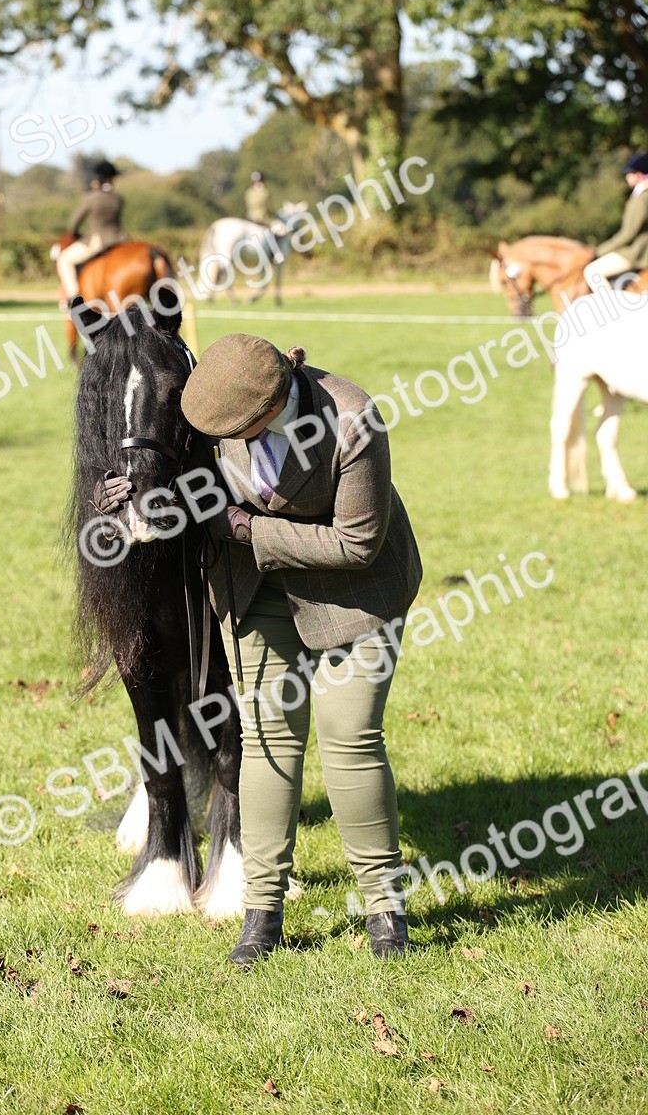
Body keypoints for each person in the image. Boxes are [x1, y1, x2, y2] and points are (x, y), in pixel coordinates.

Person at [179, 334, 423, 965]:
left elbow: (358, 543)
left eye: (243, 431)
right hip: (256, 586)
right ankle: (261, 914)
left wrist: (252, 530)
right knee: (267, 738)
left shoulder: (351, 419)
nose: (229, 442)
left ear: (276, 399)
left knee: (351, 738)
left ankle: (384, 910)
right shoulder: (215, 416)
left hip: (356, 591)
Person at [57, 159, 127, 307]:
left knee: (64, 260)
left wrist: (75, 234)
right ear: (111, 179)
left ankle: (74, 298)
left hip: (99, 240)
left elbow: (73, 225)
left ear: (97, 180)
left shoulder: (91, 198)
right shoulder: (119, 199)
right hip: (121, 239)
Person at [584, 151, 648, 290]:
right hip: (637, 250)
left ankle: (610, 310)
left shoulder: (642, 199)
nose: (626, 176)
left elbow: (628, 234)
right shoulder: (640, 196)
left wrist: (599, 251)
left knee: (592, 272)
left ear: (639, 175)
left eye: (629, 173)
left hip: (637, 253)